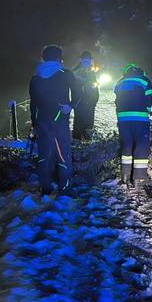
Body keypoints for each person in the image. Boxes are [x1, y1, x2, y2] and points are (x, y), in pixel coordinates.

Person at [29, 45, 82, 195]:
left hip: (41, 122)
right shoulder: (66, 73)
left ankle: (45, 188)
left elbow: (33, 104)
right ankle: (65, 190)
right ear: (59, 58)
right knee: (63, 155)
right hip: (60, 120)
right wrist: (70, 106)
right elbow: (79, 92)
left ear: (43, 58)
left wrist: (34, 124)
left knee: (44, 155)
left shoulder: (35, 77)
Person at [114, 63, 152, 192]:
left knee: (126, 146)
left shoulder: (120, 82)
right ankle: (139, 178)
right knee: (141, 146)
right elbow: (149, 101)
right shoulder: (145, 80)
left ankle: (125, 177)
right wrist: (147, 110)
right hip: (139, 118)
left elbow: (117, 100)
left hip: (123, 119)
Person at [72, 51, 100, 140]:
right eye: (85, 60)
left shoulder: (91, 71)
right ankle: (77, 143)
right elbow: (75, 88)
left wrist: (95, 99)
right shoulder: (76, 72)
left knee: (89, 126)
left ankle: (87, 143)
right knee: (79, 125)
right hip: (80, 103)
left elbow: (94, 87)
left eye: (89, 60)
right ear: (81, 60)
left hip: (90, 103)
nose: (87, 62)